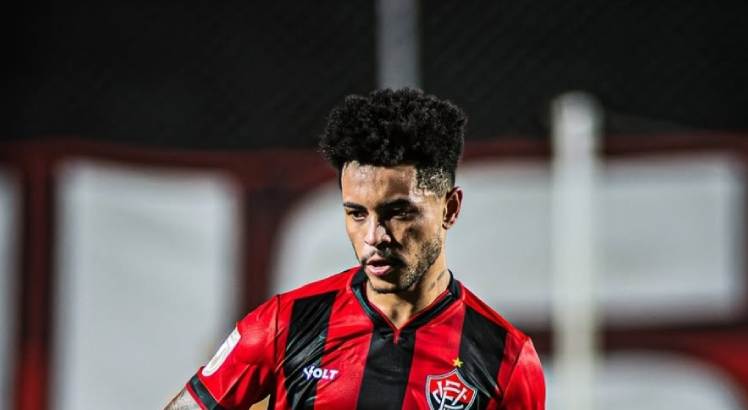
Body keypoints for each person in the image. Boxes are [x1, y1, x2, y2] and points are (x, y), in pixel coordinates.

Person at [165, 88, 545, 409]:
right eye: (357, 213)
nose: (375, 235)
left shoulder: (506, 358)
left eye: (398, 212)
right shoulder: (283, 324)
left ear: (449, 208)